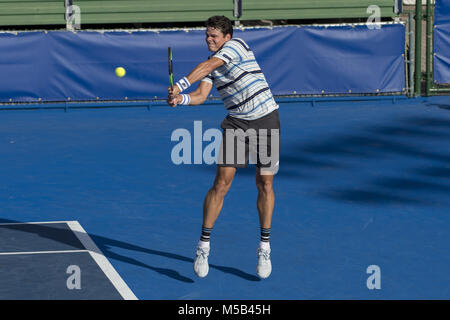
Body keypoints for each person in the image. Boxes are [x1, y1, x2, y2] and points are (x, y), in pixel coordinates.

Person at [167, 15, 280, 279]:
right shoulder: (212, 66)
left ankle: (264, 247)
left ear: (227, 37)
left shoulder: (236, 46)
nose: (209, 39)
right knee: (221, 183)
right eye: (207, 35)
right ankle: (203, 245)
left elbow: (209, 66)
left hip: (266, 119)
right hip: (237, 124)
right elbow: (201, 96)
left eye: (214, 36)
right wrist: (180, 99)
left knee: (265, 184)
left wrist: (180, 83)